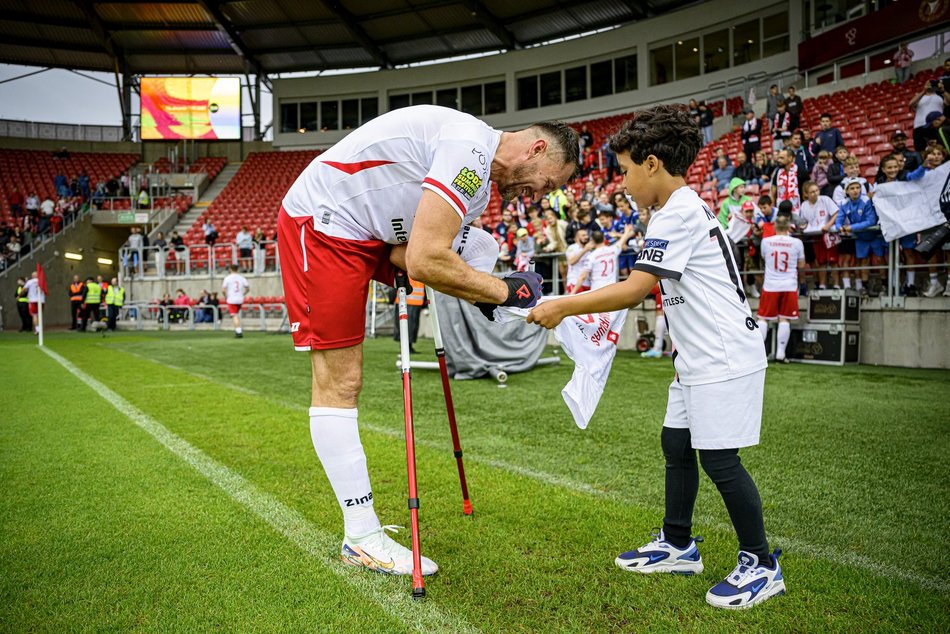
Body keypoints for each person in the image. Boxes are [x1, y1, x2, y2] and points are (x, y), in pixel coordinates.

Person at [277, 105, 576, 576]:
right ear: (537, 148)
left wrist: (489, 293)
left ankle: (361, 531)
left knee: (482, 248)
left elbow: (410, 254)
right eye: (549, 182)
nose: (539, 196)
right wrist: (505, 293)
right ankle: (359, 535)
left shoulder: (475, 186)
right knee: (340, 382)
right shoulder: (468, 149)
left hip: (362, 234)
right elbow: (423, 260)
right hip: (324, 223)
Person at [527, 104, 782, 610]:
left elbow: (634, 290)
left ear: (651, 165)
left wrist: (562, 305)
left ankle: (761, 563)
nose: (621, 182)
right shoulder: (675, 210)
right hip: (700, 354)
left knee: (720, 460)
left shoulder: (679, 212)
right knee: (676, 442)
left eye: (624, 170)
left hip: (723, 355)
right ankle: (679, 543)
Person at [756, 216, 805, 363]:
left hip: (771, 284)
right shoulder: (797, 243)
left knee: (763, 318)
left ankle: (758, 355)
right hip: (789, 285)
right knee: (784, 318)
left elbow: (764, 258)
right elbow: (801, 265)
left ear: (775, 226)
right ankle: (780, 354)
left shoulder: (766, 242)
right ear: (789, 226)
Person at [836, 178, 885, 296]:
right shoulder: (844, 204)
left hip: (874, 236)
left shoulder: (866, 200)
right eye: (852, 188)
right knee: (864, 261)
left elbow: (871, 221)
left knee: (880, 260)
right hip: (861, 238)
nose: (855, 191)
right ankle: (865, 287)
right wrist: (840, 227)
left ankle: (885, 286)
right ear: (847, 191)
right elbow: (839, 220)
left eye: (857, 187)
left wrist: (851, 227)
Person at [799, 180, 840, 289]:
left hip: (828, 234)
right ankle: (822, 284)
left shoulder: (825, 199)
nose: (815, 193)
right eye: (812, 192)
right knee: (821, 261)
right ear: (806, 194)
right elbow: (803, 222)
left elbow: (836, 213)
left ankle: (836, 284)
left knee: (833, 260)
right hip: (815, 235)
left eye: (817, 190)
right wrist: (803, 227)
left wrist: (828, 225)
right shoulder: (804, 205)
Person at [584, 223, 634, 291]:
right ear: (604, 238)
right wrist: (627, 231)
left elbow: (583, 276)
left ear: (592, 241)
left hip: (597, 289)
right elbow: (623, 239)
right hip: (611, 288)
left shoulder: (591, 256)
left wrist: (573, 292)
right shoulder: (613, 250)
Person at [909, 80, 949, 155]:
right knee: (920, 150)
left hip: (936, 125)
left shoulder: (940, 96)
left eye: (932, 84)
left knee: (939, 147)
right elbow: (911, 104)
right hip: (920, 125)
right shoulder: (920, 96)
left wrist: (943, 91)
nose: (931, 86)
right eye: (928, 84)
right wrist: (924, 91)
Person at [221, 264, 249, 338]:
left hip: (231, 299)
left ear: (230, 269)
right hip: (240, 299)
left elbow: (223, 290)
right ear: (238, 269)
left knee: (234, 315)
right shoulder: (242, 278)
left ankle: (238, 332)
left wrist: (225, 296)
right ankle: (238, 329)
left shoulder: (227, 278)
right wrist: (243, 294)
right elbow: (247, 288)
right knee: (236, 314)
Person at [565, 228, 594, 294]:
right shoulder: (572, 247)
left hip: (587, 283)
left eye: (587, 235)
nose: (586, 237)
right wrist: (584, 250)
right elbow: (571, 261)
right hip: (574, 281)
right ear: (577, 237)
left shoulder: (589, 250)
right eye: (583, 235)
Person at [23, 270, 45, 335]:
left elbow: (24, 289)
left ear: (32, 276)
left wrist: (19, 296)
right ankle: (39, 328)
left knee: (34, 315)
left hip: (33, 300)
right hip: (41, 300)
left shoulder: (30, 282)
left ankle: (37, 329)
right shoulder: (41, 281)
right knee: (39, 314)